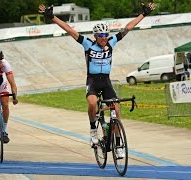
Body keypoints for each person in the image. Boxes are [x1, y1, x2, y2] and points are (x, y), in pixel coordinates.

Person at [39, 3, 155, 158]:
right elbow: (69, 29)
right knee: (93, 103)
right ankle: (93, 130)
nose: (104, 38)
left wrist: (144, 14)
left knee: (116, 111)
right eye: (101, 36)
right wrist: (53, 17)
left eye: (106, 35)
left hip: (106, 81)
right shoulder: (88, 44)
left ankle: (119, 144)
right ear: (95, 37)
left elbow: (129, 27)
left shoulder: (111, 42)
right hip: (93, 81)